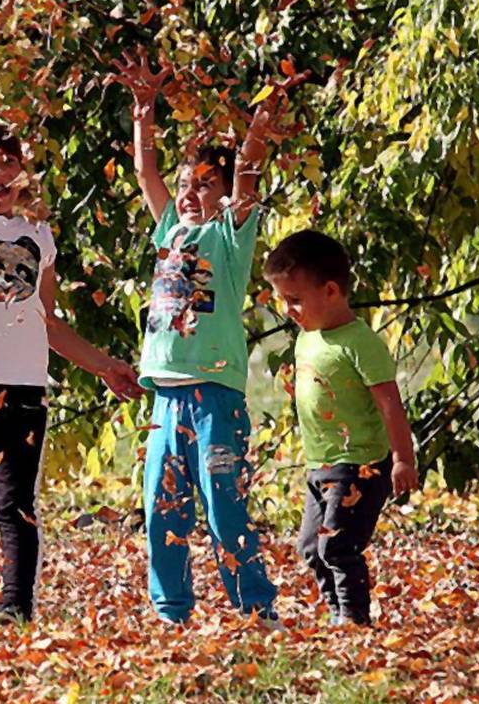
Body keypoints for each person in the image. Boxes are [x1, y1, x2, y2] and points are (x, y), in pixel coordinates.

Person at [0, 118, 144, 624]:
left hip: (24, 388)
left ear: (23, 170)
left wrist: (104, 365)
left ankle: (16, 609)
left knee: (16, 505)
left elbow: (47, 320)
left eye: (9, 162)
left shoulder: (37, 235)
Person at [113, 48, 283, 624]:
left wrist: (257, 130)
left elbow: (248, 179)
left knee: (224, 509)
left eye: (206, 184)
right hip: (165, 399)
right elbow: (146, 173)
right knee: (162, 509)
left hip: (214, 396)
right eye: (188, 182)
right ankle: (171, 611)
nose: (191, 192)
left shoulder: (230, 239)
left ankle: (255, 610)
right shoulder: (170, 229)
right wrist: (144, 113)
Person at [264, 228, 419, 626]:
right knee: (311, 548)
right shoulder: (306, 338)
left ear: (331, 291)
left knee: (338, 545)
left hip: (360, 464)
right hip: (320, 465)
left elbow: (390, 405)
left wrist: (402, 459)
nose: (288, 310)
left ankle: (353, 619)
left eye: (295, 300)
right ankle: (338, 614)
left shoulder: (360, 342)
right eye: (283, 300)